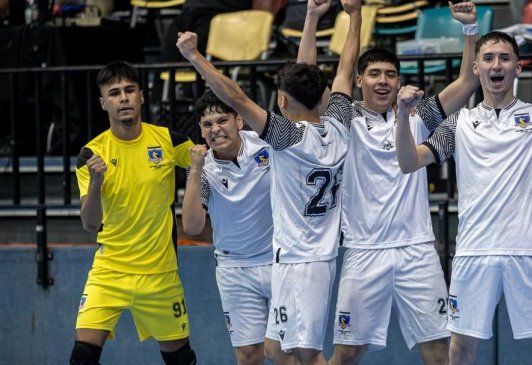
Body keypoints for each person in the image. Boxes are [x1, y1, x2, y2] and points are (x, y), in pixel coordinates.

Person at [395, 31, 532, 365]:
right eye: (489, 58)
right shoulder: (459, 122)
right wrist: (403, 117)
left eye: (505, 58)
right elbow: (408, 163)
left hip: (530, 251)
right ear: (476, 66)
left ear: (518, 67)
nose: (497, 65)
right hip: (474, 252)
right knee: (461, 350)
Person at [176, 0, 360, 363]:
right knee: (276, 349)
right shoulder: (340, 125)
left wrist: (197, 57)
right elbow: (345, 70)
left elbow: (236, 97)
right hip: (308, 257)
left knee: (302, 355)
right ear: (323, 97)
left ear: (281, 101)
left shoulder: (286, 138)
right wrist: (353, 15)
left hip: (300, 261)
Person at [296, 1, 479, 364]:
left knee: (439, 351)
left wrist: (470, 30)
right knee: (347, 353)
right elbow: (305, 78)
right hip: (365, 252)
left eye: (391, 74)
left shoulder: (417, 116)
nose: (383, 81)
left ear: (400, 80)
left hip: (417, 251)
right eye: (375, 74)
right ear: (360, 80)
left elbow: (468, 81)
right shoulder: (343, 118)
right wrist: (317, 18)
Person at [71, 61, 197, 365]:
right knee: (82, 357)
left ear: (141, 96)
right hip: (109, 271)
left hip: (160, 274)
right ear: (103, 103)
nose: (123, 98)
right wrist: (98, 180)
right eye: (114, 93)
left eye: (129, 90)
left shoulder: (171, 142)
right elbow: (90, 224)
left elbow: (204, 168)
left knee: (181, 360)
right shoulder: (91, 154)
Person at [181, 89, 290, 365]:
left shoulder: (266, 146)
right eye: (207, 124)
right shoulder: (202, 169)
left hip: (280, 262)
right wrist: (194, 169)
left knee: (283, 351)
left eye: (222, 120)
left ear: (239, 121)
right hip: (234, 269)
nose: (215, 129)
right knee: (248, 355)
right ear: (201, 131)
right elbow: (192, 226)